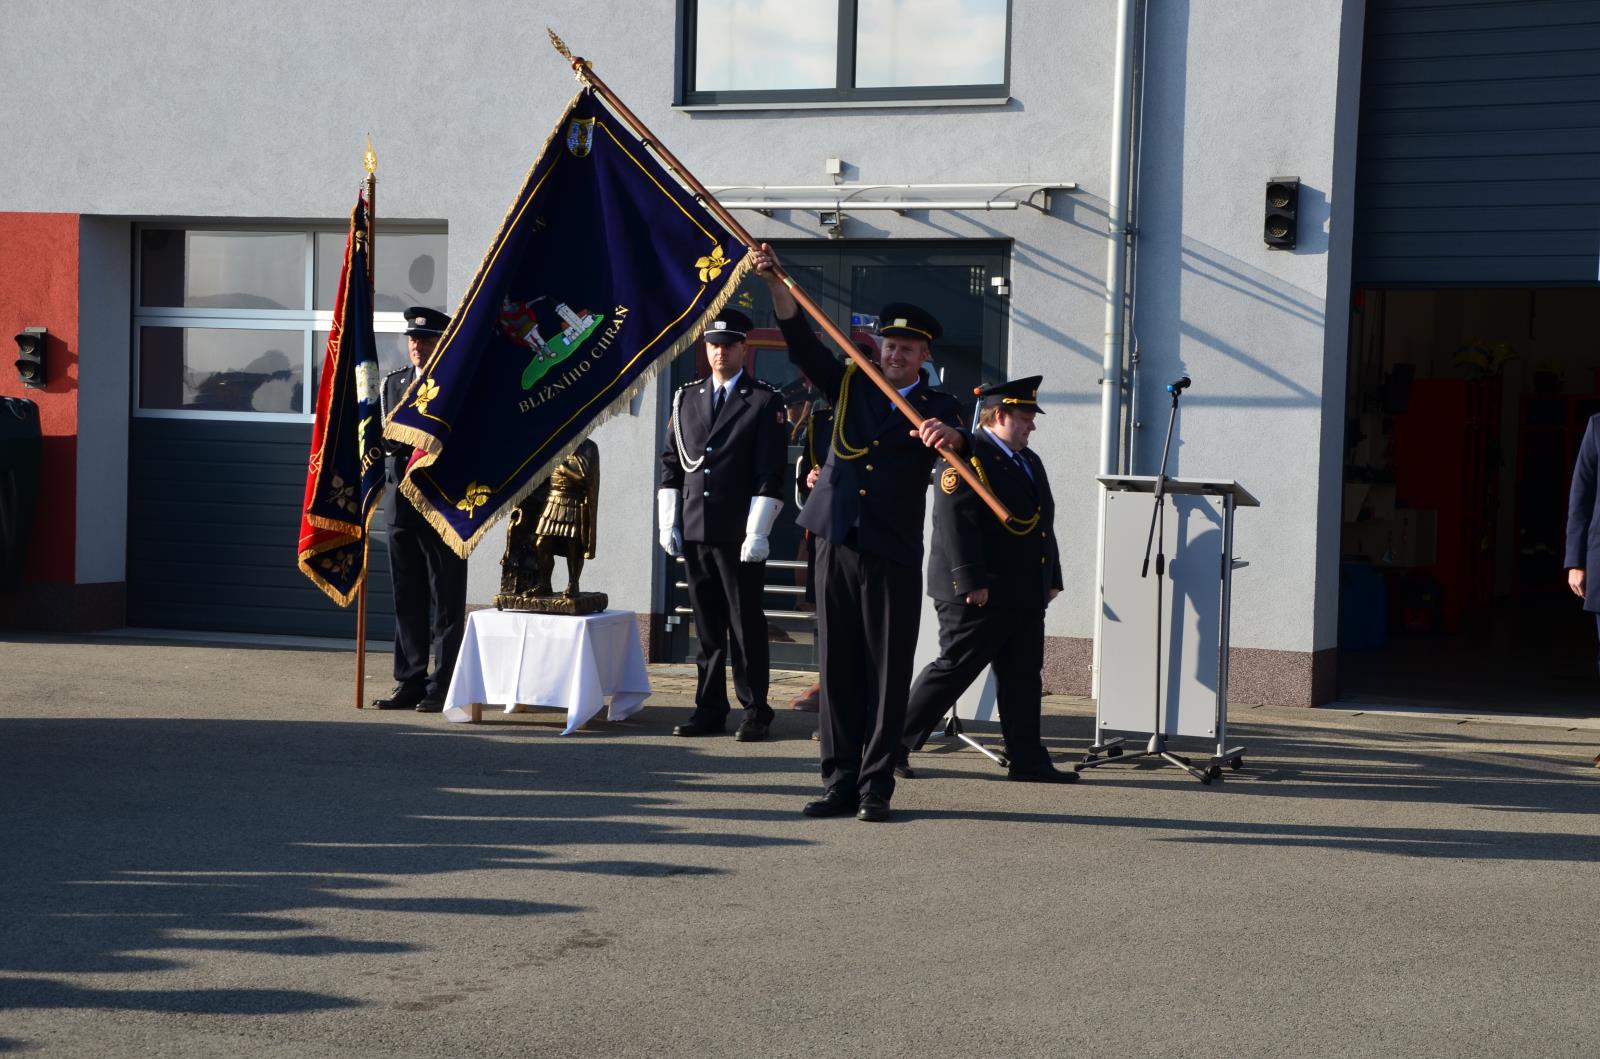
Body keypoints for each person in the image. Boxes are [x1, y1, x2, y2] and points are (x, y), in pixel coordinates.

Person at [754, 244, 966, 822]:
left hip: (891, 548)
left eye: (907, 348)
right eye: (890, 345)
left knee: (886, 670)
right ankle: (839, 780)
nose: (896, 355)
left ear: (924, 354)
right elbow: (802, 343)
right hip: (835, 539)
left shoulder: (939, 406)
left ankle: (876, 786)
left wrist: (953, 438)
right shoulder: (848, 382)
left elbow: (963, 448)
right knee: (839, 668)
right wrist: (778, 285)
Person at [898, 376, 1077, 783]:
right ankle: (892, 744)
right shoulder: (966, 457)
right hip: (978, 591)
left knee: (1022, 676)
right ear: (999, 415)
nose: (1032, 425)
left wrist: (1053, 576)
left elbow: (1042, 524)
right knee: (953, 671)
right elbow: (954, 523)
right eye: (1025, 417)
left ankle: (1027, 758)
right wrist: (970, 581)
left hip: (1023, 590)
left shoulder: (1028, 461)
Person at [658, 308, 788, 741]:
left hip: (738, 532)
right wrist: (667, 521)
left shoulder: (765, 401)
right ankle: (709, 709)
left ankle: (756, 710)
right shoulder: (686, 398)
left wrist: (758, 531)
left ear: (743, 349)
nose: (721, 352)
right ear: (705, 348)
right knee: (707, 626)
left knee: (745, 625)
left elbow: (771, 472)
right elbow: (671, 465)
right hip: (696, 528)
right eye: (714, 345)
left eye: (729, 345)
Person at [373, 307, 468, 712]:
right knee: (406, 596)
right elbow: (383, 439)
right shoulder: (394, 385)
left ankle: (442, 684)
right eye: (413, 340)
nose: (417, 346)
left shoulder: (457, 386)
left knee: (445, 599)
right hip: (400, 507)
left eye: (426, 340)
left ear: (441, 343)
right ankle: (409, 680)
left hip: (440, 505)